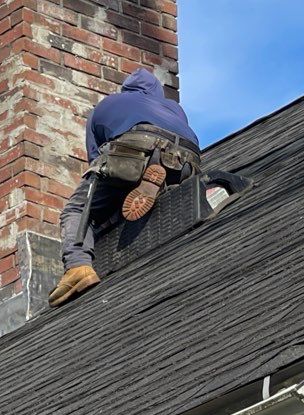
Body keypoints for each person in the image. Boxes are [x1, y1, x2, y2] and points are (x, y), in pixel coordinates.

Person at [49, 69, 200, 308]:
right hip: (187, 160)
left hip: (134, 147)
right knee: (143, 179)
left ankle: (78, 267)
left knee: (79, 210)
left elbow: (98, 160)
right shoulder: (174, 108)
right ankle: (155, 178)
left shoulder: (108, 104)